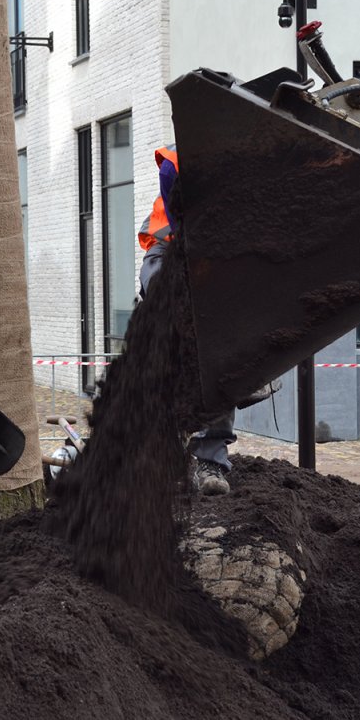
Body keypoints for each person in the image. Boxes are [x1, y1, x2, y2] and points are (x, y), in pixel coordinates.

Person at [137, 146, 279, 496]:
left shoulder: (246, 177)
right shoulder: (183, 163)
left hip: (212, 257)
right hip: (171, 250)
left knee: (217, 356)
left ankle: (209, 460)